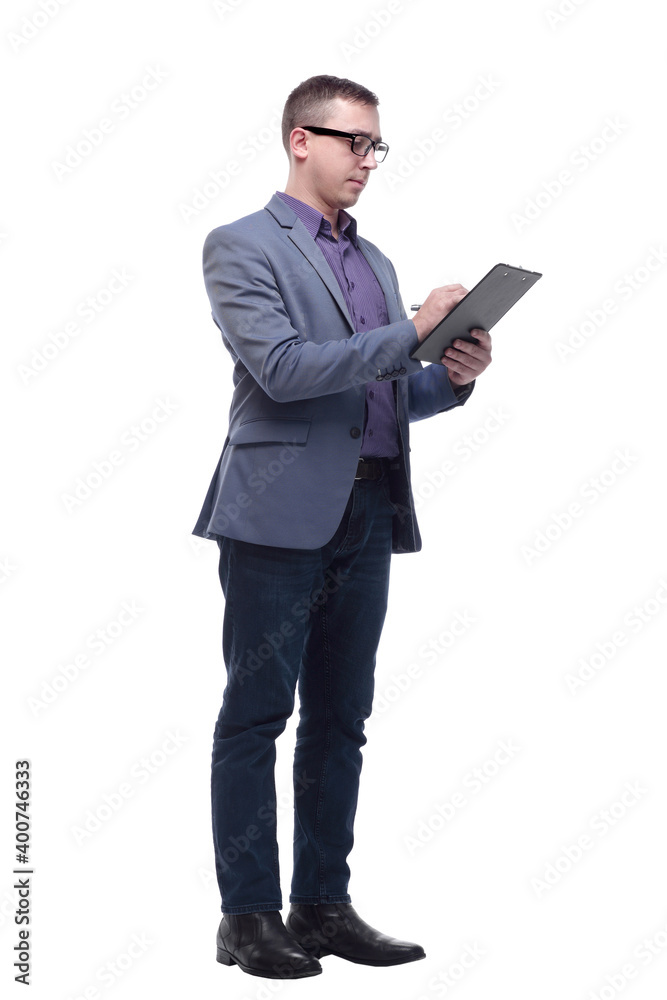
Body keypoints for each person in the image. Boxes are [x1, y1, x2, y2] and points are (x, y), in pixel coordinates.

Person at [192, 74, 492, 980]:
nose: (367, 160)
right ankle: (246, 916)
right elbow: (285, 372)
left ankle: (321, 904)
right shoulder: (239, 246)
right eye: (352, 141)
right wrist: (412, 332)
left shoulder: (377, 263)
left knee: (341, 721)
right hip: (274, 516)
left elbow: (387, 393)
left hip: (367, 509)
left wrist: (457, 372)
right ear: (299, 140)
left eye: (374, 146)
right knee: (256, 717)